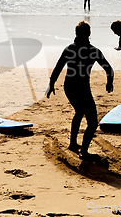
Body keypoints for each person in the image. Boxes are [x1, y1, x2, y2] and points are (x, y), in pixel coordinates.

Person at [47, 21, 113, 161]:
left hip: (69, 86)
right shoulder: (93, 50)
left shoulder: (69, 49)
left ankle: (72, 144)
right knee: (93, 122)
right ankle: (83, 152)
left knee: (79, 111)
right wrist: (109, 81)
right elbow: (109, 69)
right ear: (89, 34)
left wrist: (51, 84)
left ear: (76, 33)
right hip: (82, 87)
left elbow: (58, 68)